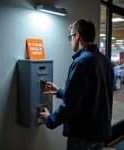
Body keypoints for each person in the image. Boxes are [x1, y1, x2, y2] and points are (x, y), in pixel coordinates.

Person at [40, 19, 114, 150]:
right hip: (100, 133)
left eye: (71, 37)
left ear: (77, 36)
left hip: (82, 136)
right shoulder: (105, 61)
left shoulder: (81, 63)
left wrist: (50, 120)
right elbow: (92, 95)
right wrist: (59, 92)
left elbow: (71, 104)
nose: (71, 41)